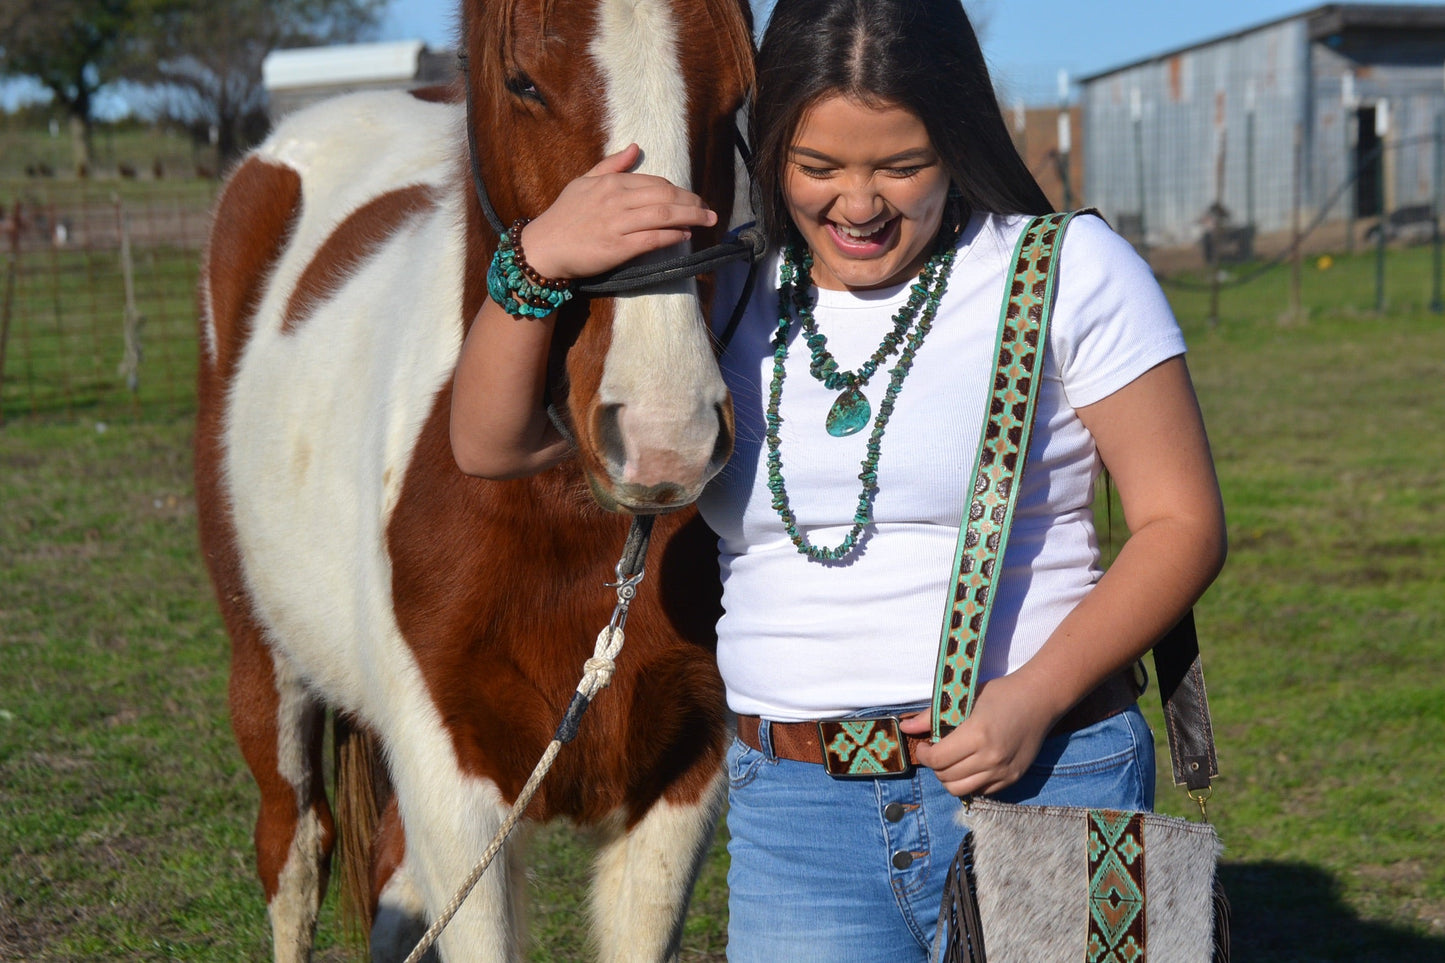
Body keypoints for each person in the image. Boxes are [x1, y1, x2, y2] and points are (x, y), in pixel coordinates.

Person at [450, 0, 1227, 959]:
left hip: (1050, 775)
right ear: (767, 149)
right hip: (797, 815)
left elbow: (1180, 522)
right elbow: (490, 443)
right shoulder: (729, 298)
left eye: (901, 167)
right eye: (818, 168)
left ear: (957, 140)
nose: (858, 205)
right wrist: (533, 260)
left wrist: (1032, 698)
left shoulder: (1065, 272)